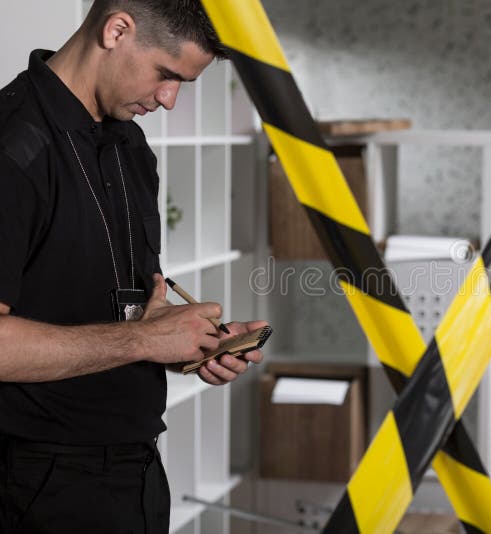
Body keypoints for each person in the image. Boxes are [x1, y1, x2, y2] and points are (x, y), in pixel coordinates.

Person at [0, 1, 266, 532]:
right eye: (166, 75)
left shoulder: (132, 146)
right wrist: (145, 343)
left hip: (137, 470)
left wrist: (183, 344)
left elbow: (113, 317)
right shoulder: (12, 146)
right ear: (117, 29)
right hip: (36, 483)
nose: (169, 100)